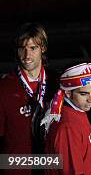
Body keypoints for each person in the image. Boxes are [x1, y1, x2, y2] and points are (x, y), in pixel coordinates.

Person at [0, 23, 55, 175]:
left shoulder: (57, 84)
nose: (26, 55)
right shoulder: (4, 87)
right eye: (22, 48)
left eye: (33, 48)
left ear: (43, 48)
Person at [42, 63, 91, 175]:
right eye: (84, 94)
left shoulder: (77, 110)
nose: (90, 99)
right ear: (68, 93)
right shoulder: (68, 127)